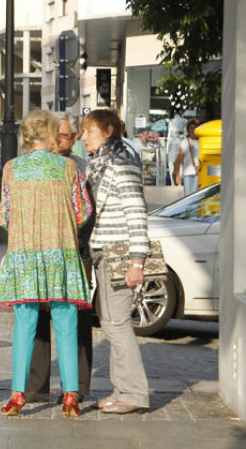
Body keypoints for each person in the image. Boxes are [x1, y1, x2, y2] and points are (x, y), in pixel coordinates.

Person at [0, 109, 92, 419]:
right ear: (50, 134)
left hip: (25, 255)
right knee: (66, 322)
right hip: (60, 252)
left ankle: (17, 395)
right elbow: (83, 211)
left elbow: (2, 215)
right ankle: (71, 395)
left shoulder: (11, 169)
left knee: (24, 325)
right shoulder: (67, 168)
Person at [80, 108, 151, 414]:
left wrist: (138, 261)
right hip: (103, 252)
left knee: (117, 324)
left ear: (108, 131)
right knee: (111, 322)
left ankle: (134, 393)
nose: (83, 138)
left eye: (89, 132)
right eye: (82, 132)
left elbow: (137, 213)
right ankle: (122, 390)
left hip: (118, 253)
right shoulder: (101, 164)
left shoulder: (122, 164)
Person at [25, 112, 95, 405]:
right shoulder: (35, 166)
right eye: (60, 135)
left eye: (67, 136)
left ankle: (76, 387)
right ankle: (36, 388)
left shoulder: (81, 168)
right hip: (40, 251)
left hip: (74, 250)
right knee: (39, 319)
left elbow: (88, 212)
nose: (63, 140)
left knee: (76, 319)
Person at [173, 118, 201, 195]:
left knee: (197, 196)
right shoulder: (185, 142)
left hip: (199, 173)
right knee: (188, 195)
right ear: (188, 129)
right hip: (188, 173)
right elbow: (178, 159)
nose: (192, 130)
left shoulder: (202, 141)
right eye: (190, 128)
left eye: (194, 128)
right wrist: (177, 174)